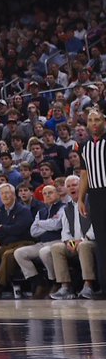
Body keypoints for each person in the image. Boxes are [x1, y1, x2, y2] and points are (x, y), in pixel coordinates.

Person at [77, 107, 106, 295]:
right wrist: (81, 198)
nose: (94, 123)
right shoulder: (84, 146)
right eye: (90, 120)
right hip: (95, 196)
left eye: (97, 119)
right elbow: (84, 174)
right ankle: (104, 287)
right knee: (102, 243)